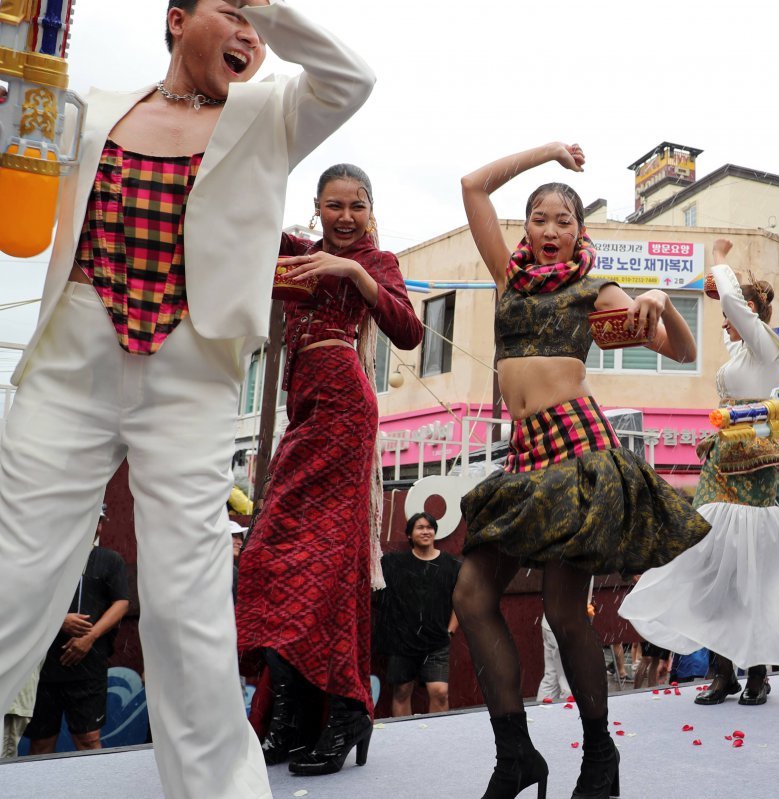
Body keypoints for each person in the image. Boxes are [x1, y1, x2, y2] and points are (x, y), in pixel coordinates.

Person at [0, 2, 373, 795]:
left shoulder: (269, 114)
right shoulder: (96, 108)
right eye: (231, 12)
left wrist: (268, 6)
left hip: (189, 376)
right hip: (77, 355)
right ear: (176, 21)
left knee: (186, 614)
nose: (249, 33)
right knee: (11, 575)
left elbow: (352, 77)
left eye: (257, 22)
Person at [453, 142, 710, 799]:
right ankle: (516, 756)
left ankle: (600, 756)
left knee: (566, 611)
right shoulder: (509, 279)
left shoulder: (594, 289)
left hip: (574, 451)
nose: (548, 229)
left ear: (579, 232)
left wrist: (660, 300)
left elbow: (679, 350)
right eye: (538, 217)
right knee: (472, 596)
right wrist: (550, 155)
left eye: (562, 220)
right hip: (522, 455)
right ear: (527, 227)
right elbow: (473, 184)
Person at [236, 163, 422, 775]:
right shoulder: (296, 252)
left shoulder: (378, 260)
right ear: (317, 207)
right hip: (304, 412)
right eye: (334, 206)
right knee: (267, 556)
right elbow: (241, 220)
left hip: (344, 405)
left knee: (329, 567)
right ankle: (294, 715)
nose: (346, 217)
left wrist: (352, 270)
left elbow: (409, 329)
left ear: (371, 210)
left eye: (357, 206)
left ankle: (340, 712)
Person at [621, 238, 779, 708]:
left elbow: (731, 303)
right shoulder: (742, 355)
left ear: (747, 312)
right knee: (714, 567)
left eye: (733, 317)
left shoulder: (767, 348)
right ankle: (723, 673)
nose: (726, 325)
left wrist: (721, 261)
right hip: (721, 459)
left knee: (748, 574)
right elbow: (730, 317)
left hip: (750, 467)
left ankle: (758, 675)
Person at [26, 509, 129, 755]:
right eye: (88, 519)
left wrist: (90, 636)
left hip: (89, 665)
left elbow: (122, 603)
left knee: (89, 740)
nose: (96, 526)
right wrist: (58, 620)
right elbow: (24, 602)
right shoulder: (44, 561)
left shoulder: (110, 559)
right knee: (41, 742)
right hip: (44, 665)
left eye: (99, 521)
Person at [375, 513, 462, 717]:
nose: (425, 531)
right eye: (420, 527)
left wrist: (450, 632)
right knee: (402, 692)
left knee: (440, 693)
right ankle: (408, 741)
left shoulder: (451, 564)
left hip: (437, 642)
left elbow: (460, 601)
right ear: (409, 535)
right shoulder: (394, 563)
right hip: (402, 642)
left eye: (429, 527)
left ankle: (437, 739)